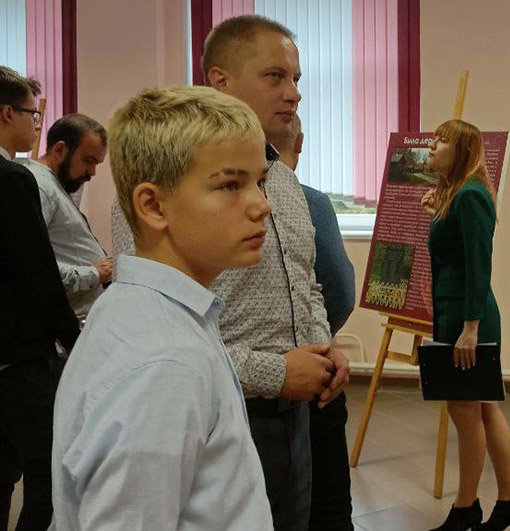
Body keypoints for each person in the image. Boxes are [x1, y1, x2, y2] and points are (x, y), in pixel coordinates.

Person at [110, 15, 350, 530]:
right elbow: (160, 329)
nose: (293, 93)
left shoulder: (283, 181)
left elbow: (306, 280)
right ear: (220, 80)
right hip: (223, 409)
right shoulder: (170, 181)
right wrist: (276, 373)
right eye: (275, 76)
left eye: (296, 79)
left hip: (299, 412)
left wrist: (322, 347)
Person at [50, 85, 275, 530]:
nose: (262, 205)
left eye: (259, 182)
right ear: (153, 206)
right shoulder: (166, 363)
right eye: (230, 185)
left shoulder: (143, 309)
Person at [421, 119, 510, 531]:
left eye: (441, 141)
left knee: (465, 411)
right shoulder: (457, 195)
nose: (432, 146)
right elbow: (456, 249)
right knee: (482, 408)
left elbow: (479, 264)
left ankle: (466, 508)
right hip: (458, 312)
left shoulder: (470, 196)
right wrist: (438, 212)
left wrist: (470, 327)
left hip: (466, 317)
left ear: (462, 150)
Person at [0, 66, 80, 531]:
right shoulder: (12, 179)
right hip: (21, 361)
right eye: (33, 113)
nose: (37, 123)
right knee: (49, 479)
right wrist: (75, 339)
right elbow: (37, 274)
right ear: (6, 113)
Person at [274, 116, 356, 530]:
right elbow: (340, 289)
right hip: (299, 379)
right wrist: (321, 344)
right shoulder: (311, 200)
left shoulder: (304, 199)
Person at [22, 114, 111, 317]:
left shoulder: (54, 185)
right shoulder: (40, 186)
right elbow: (31, 263)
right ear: (60, 149)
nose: (92, 172)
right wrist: (93, 274)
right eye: (88, 160)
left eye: (97, 163)